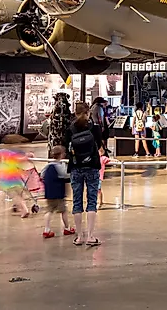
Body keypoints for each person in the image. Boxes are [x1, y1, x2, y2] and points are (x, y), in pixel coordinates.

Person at [64, 102, 104, 246]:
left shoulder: (70, 129)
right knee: (92, 201)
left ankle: (79, 236)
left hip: (76, 167)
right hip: (92, 167)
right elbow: (99, 145)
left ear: (75, 113)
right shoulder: (95, 128)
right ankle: (91, 236)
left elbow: (66, 147)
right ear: (88, 113)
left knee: (77, 201)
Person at [41, 145, 75, 238]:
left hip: (49, 192)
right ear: (61, 155)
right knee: (63, 211)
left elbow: (42, 175)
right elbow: (66, 175)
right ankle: (67, 228)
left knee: (49, 210)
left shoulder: (48, 165)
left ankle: (46, 230)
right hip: (59, 193)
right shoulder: (60, 166)